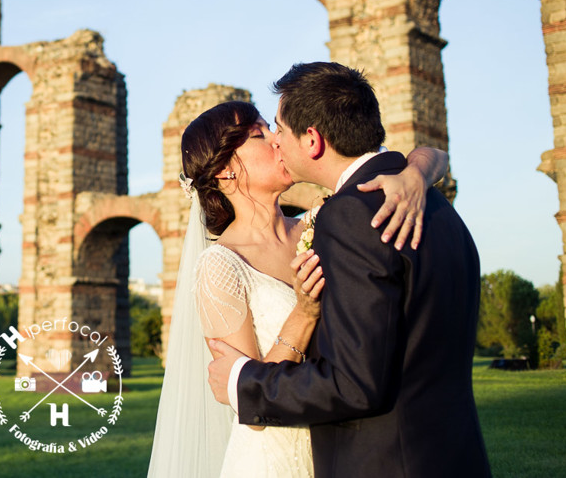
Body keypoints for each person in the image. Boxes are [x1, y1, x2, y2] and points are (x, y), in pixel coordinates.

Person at [207, 62, 491, 477]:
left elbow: (354, 383)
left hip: (386, 462)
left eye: (279, 130)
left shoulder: (349, 216)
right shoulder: (434, 203)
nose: (274, 141)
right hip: (454, 455)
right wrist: (419, 168)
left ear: (313, 139)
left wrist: (241, 380)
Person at [147, 98, 448, 477]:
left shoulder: (323, 224)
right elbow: (248, 403)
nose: (276, 139)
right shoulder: (221, 266)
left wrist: (415, 175)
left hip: (344, 445)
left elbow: (433, 155)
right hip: (274, 459)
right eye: (259, 134)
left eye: (270, 129)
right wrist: (304, 314)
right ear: (225, 171)